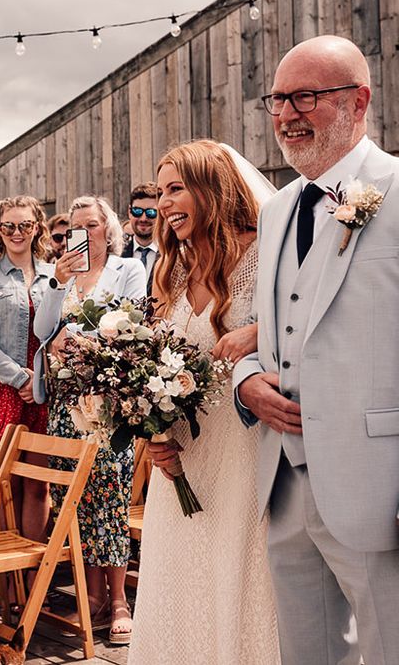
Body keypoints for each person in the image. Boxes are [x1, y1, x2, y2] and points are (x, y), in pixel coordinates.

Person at [234, 35, 399, 665]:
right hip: (284, 486)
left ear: (358, 102)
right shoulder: (275, 211)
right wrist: (247, 379)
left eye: (305, 97)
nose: (285, 115)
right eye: (277, 100)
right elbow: (258, 331)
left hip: (375, 488)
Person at [127, 140, 277, 663]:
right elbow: (144, 367)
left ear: (210, 188)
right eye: (161, 191)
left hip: (244, 448)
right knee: (181, 575)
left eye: (175, 189)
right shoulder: (172, 268)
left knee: (238, 572)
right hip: (183, 457)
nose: (164, 204)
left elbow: (302, 323)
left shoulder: (264, 252)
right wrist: (153, 435)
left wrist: (256, 333)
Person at [34, 195, 147, 645]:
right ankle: (93, 594)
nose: (83, 234)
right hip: (65, 403)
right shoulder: (57, 275)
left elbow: (132, 322)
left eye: (92, 225)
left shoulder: (128, 270)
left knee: (111, 497)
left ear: (108, 229)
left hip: (106, 401)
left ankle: (119, 599)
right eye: (75, 228)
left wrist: (77, 340)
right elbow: (43, 331)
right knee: (73, 499)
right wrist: (59, 285)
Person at [0, 195, 53, 545]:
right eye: (9, 226)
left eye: (25, 225)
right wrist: (21, 378)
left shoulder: (53, 274)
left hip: (44, 391)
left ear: (36, 228)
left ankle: (35, 580)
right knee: (8, 485)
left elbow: (63, 333)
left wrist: (41, 382)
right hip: (2, 389)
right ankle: (13, 587)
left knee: (38, 485)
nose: (17, 233)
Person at [121, 182, 159, 293]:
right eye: (137, 211)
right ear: (129, 212)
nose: (143, 218)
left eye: (151, 212)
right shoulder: (116, 255)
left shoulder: (173, 254)